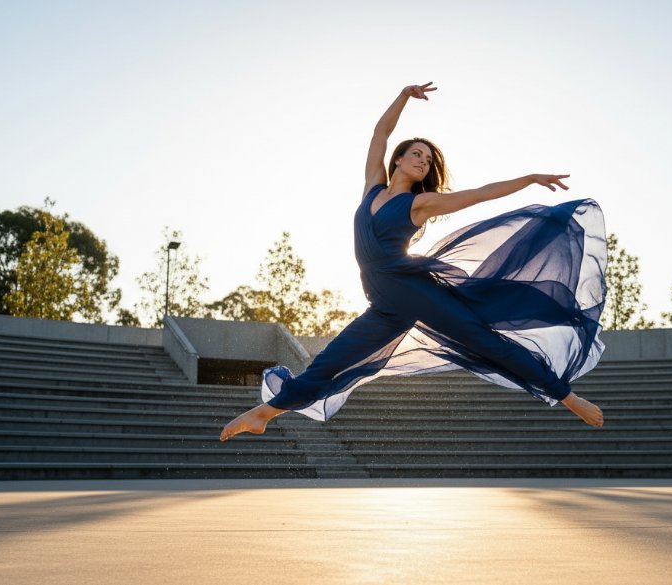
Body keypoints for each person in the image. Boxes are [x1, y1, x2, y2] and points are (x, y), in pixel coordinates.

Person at [220, 82, 606, 441]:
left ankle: (569, 398)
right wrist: (404, 95)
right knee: (330, 360)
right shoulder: (372, 187)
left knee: (485, 342)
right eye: (416, 154)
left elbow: (480, 194)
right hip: (385, 305)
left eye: (428, 158)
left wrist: (529, 178)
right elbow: (379, 135)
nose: (422, 161)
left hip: (414, 292)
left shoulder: (420, 203)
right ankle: (263, 415)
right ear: (399, 160)